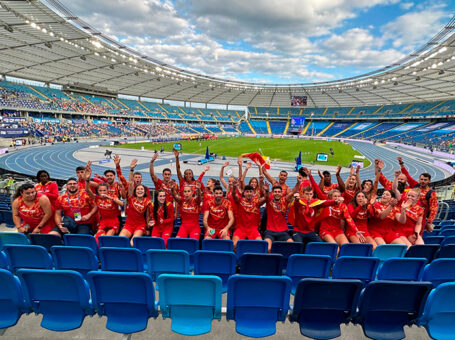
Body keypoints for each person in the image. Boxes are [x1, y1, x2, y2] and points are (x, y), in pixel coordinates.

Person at [84, 163, 124, 242]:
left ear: (108, 190)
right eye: (100, 191)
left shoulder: (113, 195)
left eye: (104, 190)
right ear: (98, 191)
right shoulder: (97, 197)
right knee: (97, 238)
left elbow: (123, 204)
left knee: (107, 238)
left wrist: (110, 197)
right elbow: (87, 189)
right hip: (103, 221)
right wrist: (87, 178)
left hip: (114, 220)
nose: (102, 192)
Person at [398, 157, 438, 233]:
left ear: (429, 181)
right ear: (419, 179)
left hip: (421, 218)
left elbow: (434, 208)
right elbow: (407, 175)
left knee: (417, 235)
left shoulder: (431, 193)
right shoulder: (415, 185)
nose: (423, 181)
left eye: (425, 180)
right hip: (409, 214)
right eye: (421, 179)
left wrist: (429, 222)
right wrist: (401, 163)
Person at [232, 179, 267, 250]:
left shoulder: (257, 202)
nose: (249, 193)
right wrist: (234, 188)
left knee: (261, 245)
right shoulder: (240, 201)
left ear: (254, 193)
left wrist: (266, 191)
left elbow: (266, 198)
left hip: (253, 229)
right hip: (240, 229)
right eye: (247, 192)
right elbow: (234, 195)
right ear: (244, 193)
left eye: (250, 192)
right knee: (234, 245)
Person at [119, 180, 153, 246]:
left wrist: (148, 228)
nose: (139, 191)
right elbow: (131, 183)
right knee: (121, 241)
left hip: (140, 225)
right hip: (128, 225)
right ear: (135, 191)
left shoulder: (148, 201)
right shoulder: (131, 198)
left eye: (141, 189)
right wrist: (131, 171)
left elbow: (148, 215)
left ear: (144, 191)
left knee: (132, 243)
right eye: (138, 189)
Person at [263, 184, 295, 251]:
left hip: (283, 231)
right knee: (267, 248)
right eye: (275, 192)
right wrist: (266, 191)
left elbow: (292, 192)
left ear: (281, 193)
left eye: (279, 192)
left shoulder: (285, 201)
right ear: (272, 193)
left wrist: (298, 182)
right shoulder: (269, 201)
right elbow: (266, 196)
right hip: (270, 231)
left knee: (292, 246)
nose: (277, 193)